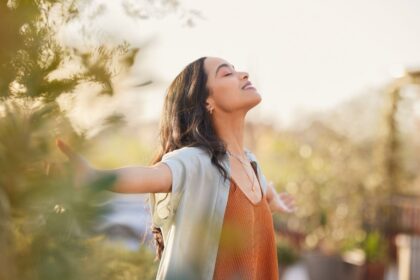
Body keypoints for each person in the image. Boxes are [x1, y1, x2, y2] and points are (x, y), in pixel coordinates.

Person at [56, 56, 296, 280]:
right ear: (206, 101)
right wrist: (95, 178)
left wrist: (273, 203)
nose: (243, 74)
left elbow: (263, 191)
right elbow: (151, 176)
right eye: (227, 74)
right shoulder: (196, 161)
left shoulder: (251, 164)